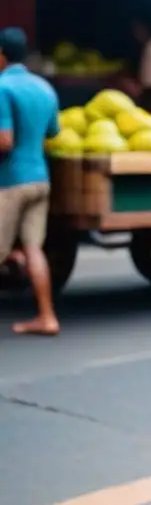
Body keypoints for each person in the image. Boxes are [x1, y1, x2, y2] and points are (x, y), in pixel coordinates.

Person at [0, 27, 61, 335]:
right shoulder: (45, 88)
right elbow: (53, 133)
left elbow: (4, 142)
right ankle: (47, 317)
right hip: (40, 178)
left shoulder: (1, 88)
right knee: (34, 248)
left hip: (11, 181)